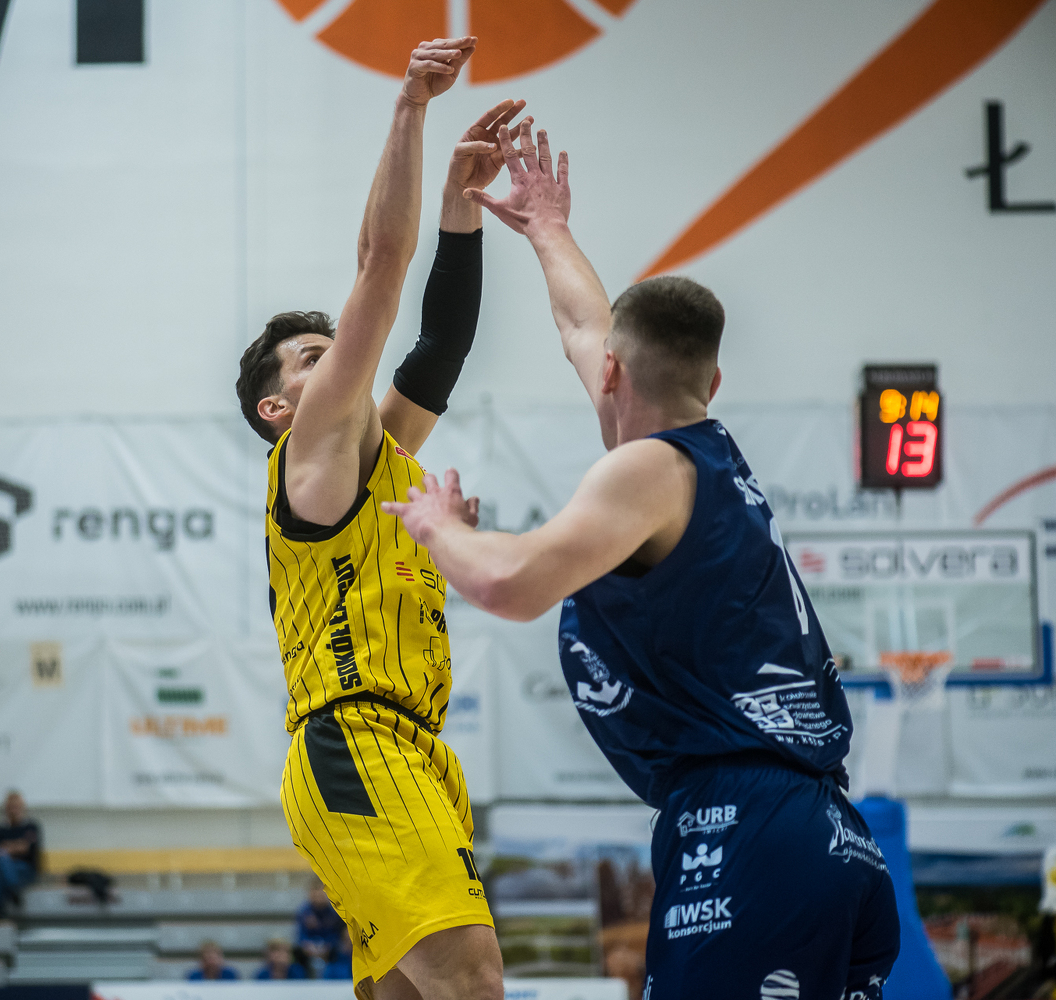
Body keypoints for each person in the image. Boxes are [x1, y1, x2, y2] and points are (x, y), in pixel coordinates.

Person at [385, 120, 901, 1000]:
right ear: (712, 383)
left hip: (744, 828)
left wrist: (438, 527)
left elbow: (508, 582)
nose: (593, 364)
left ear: (615, 377)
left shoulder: (646, 471)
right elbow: (586, 324)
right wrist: (547, 228)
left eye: (602, 364)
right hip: (825, 833)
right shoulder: (707, 453)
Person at [234, 34, 514, 1000]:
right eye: (313, 359)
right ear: (278, 408)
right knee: (473, 981)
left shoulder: (373, 454)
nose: (339, 361)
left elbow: (441, 344)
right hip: (355, 742)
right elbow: (380, 266)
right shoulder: (309, 455)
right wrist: (411, 108)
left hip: (409, 751)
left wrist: (462, 212)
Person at [0, 791, 41, 918]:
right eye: (10, 807)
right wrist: (16, 846)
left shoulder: (31, 827)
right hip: (3, 869)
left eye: (16, 807)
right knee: (1, 864)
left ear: (23, 808)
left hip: (25, 871)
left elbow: (25, 848)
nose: (13, 810)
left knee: (2, 865)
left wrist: (7, 847)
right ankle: (13, 889)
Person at [294, 878, 346, 976]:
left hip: (330, 951)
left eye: (321, 891)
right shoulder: (303, 912)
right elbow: (301, 936)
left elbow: (337, 936)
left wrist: (328, 947)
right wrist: (307, 946)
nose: (318, 894)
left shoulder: (335, 912)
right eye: (315, 891)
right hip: (308, 952)